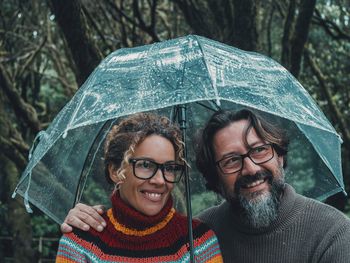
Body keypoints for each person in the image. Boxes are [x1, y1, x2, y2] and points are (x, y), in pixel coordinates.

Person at [61, 109, 350, 263]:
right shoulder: (202, 229)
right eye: (232, 160)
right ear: (215, 177)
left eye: (260, 150)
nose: (251, 168)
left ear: (281, 155)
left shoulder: (332, 233)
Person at [56, 113, 223, 262]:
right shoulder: (81, 242)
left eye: (170, 168)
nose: (159, 180)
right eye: (145, 165)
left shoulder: (198, 242)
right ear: (115, 171)